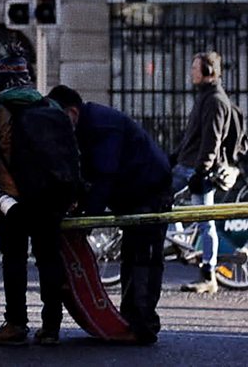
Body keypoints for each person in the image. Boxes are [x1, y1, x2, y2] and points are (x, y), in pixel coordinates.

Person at [47, 85, 172, 345]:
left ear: (72, 112)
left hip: (149, 191)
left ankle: (142, 325)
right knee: (134, 256)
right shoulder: (87, 126)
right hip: (138, 191)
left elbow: (103, 176)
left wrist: (86, 221)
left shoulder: (101, 126)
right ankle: (136, 321)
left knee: (143, 259)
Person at [0, 53, 68, 346]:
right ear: (28, 77)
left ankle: (16, 323)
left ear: (0, 79)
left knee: (14, 259)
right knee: (49, 258)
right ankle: (51, 326)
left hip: (11, 199)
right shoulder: (51, 105)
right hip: (50, 197)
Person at [173, 51, 236, 294]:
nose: (191, 73)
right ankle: (183, 244)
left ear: (208, 72)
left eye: (194, 68)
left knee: (205, 222)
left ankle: (208, 274)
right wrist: (174, 155)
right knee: (161, 199)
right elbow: (193, 136)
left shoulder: (215, 101)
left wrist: (201, 172)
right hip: (187, 164)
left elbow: (212, 141)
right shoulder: (204, 98)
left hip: (197, 169)